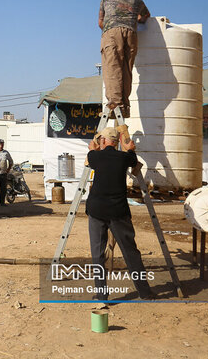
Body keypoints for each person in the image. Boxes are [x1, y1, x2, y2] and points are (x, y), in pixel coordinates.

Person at [86, 127, 155, 301]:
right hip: (118, 211)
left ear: (103, 141)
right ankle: (145, 292)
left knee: (98, 253)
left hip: (96, 211)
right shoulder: (124, 158)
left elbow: (91, 154)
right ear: (116, 142)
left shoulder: (95, 156)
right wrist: (129, 147)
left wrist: (93, 146)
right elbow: (132, 159)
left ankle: (101, 294)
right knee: (130, 252)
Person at [98, 0, 150, 118]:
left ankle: (115, 106)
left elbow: (100, 23)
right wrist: (134, 19)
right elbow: (145, 17)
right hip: (131, 34)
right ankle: (125, 108)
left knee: (112, 68)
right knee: (126, 69)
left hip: (112, 33)